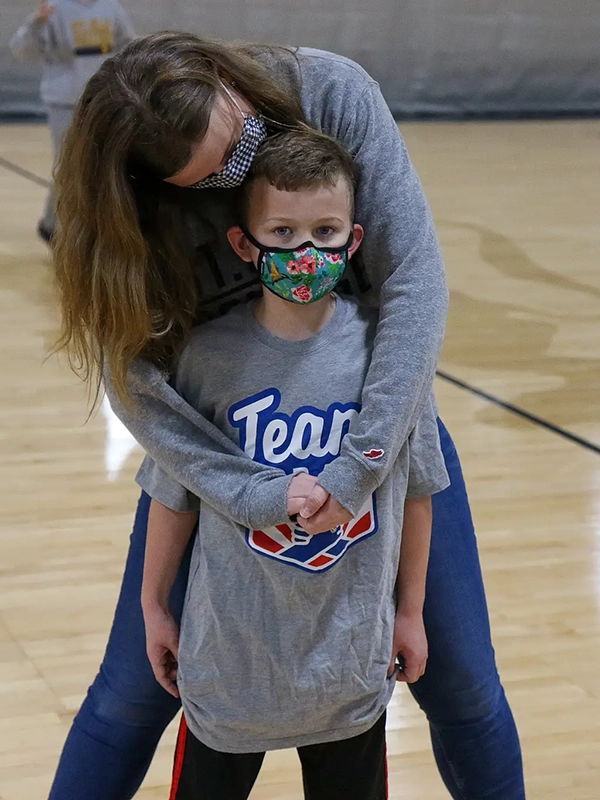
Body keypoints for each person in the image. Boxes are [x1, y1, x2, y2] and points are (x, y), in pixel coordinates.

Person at [50, 31, 525, 800]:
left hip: (374, 447)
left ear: (225, 80)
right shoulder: (130, 210)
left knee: (462, 684)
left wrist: (362, 463)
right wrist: (240, 489)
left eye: (238, 149)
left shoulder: (329, 92)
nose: (235, 177)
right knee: (134, 693)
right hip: (219, 461)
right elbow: (134, 382)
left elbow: (415, 279)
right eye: (209, 182)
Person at [139, 128, 448, 800]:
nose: (306, 251)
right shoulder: (206, 358)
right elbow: (175, 493)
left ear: (354, 240)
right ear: (245, 245)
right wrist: (152, 602)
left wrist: (412, 610)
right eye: (282, 231)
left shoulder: (390, 358)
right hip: (230, 669)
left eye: (325, 230)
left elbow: (417, 490)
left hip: (348, 670)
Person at [9, 0, 134, 243]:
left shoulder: (111, 8)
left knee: (103, 165)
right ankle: (52, 225)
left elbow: (128, 45)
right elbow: (21, 49)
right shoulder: (54, 9)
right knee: (68, 165)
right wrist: (36, 22)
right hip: (64, 101)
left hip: (101, 99)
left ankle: (97, 228)